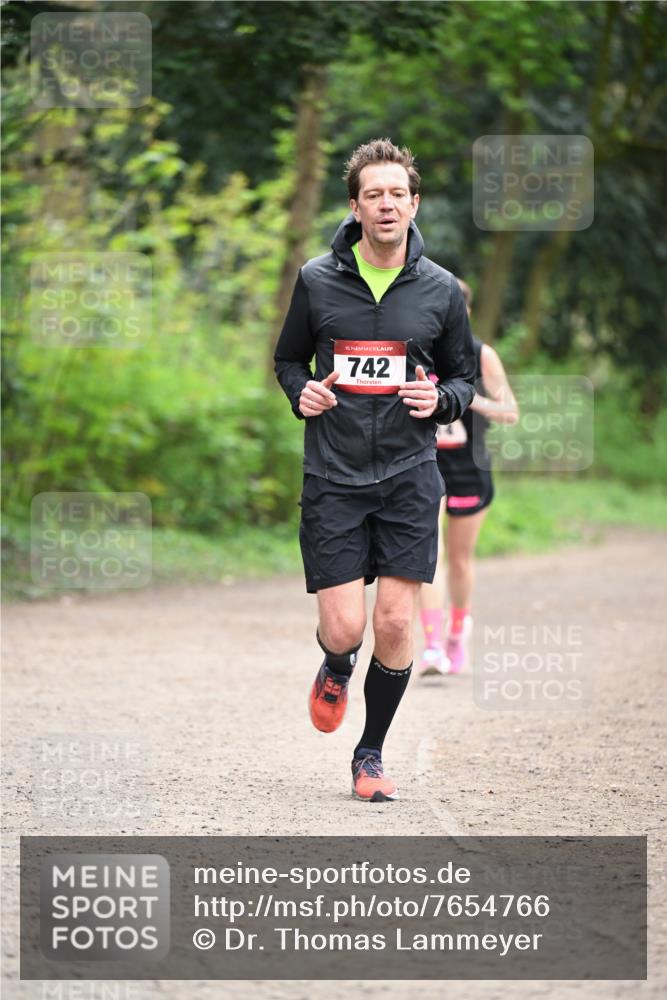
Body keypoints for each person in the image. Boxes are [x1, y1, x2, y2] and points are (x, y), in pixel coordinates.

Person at [274, 138, 476, 802]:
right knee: (347, 629)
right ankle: (335, 666)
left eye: (397, 193)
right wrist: (299, 392)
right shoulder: (316, 279)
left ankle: (369, 754)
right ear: (355, 207)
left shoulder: (442, 291)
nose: (385, 204)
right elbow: (288, 361)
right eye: (372, 194)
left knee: (393, 624)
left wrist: (439, 397)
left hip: (407, 472)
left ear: (413, 204)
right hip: (332, 473)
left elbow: (463, 378)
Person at [419, 278, 519, 676]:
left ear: (466, 313)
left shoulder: (482, 356)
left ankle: (457, 633)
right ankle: (430, 646)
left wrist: (464, 396)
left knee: (459, 561)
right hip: (424, 465)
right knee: (429, 555)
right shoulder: (418, 351)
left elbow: (510, 412)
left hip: (469, 469)